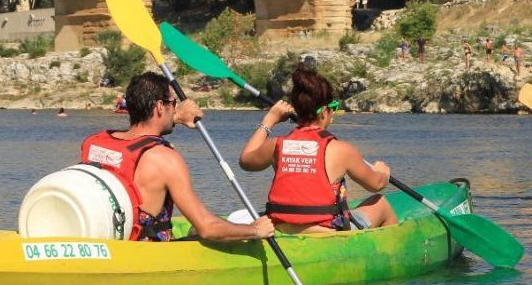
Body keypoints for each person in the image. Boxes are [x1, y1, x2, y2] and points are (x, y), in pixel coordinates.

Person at [81, 72, 275, 243]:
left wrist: (175, 118)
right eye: (173, 104)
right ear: (159, 106)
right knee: (205, 232)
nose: (175, 109)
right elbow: (207, 228)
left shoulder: (95, 142)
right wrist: (256, 230)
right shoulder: (165, 159)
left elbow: (136, 140)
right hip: (147, 254)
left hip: (109, 238)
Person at [239, 64, 398, 233]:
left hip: (282, 228)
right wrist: (383, 172)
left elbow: (245, 160)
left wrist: (270, 119)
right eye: (333, 108)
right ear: (324, 113)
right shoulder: (342, 150)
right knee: (381, 203)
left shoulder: (276, 145)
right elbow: (376, 184)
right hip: (326, 233)